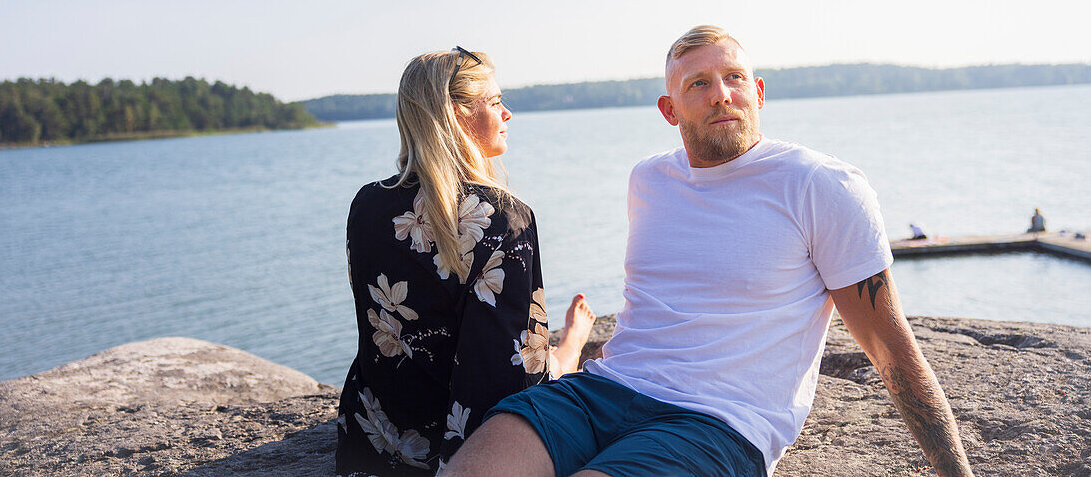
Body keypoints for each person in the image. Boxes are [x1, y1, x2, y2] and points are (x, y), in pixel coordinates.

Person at [444, 26, 974, 477]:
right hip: (604, 391)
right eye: (699, 83)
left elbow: (891, 348)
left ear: (759, 93)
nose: (721, 93)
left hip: (720, 420)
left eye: (734, 78)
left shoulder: (821, 185)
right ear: (669, 110)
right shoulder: (649, 180)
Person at [336, 47, 596, 476]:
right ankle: (569, 345)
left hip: (373, 443)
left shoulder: (366, 205)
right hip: (471, 458)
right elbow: (515, 380)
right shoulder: (503, 219)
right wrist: (568, 351)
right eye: (495, 102)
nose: (507, 114)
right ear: (458, 116)